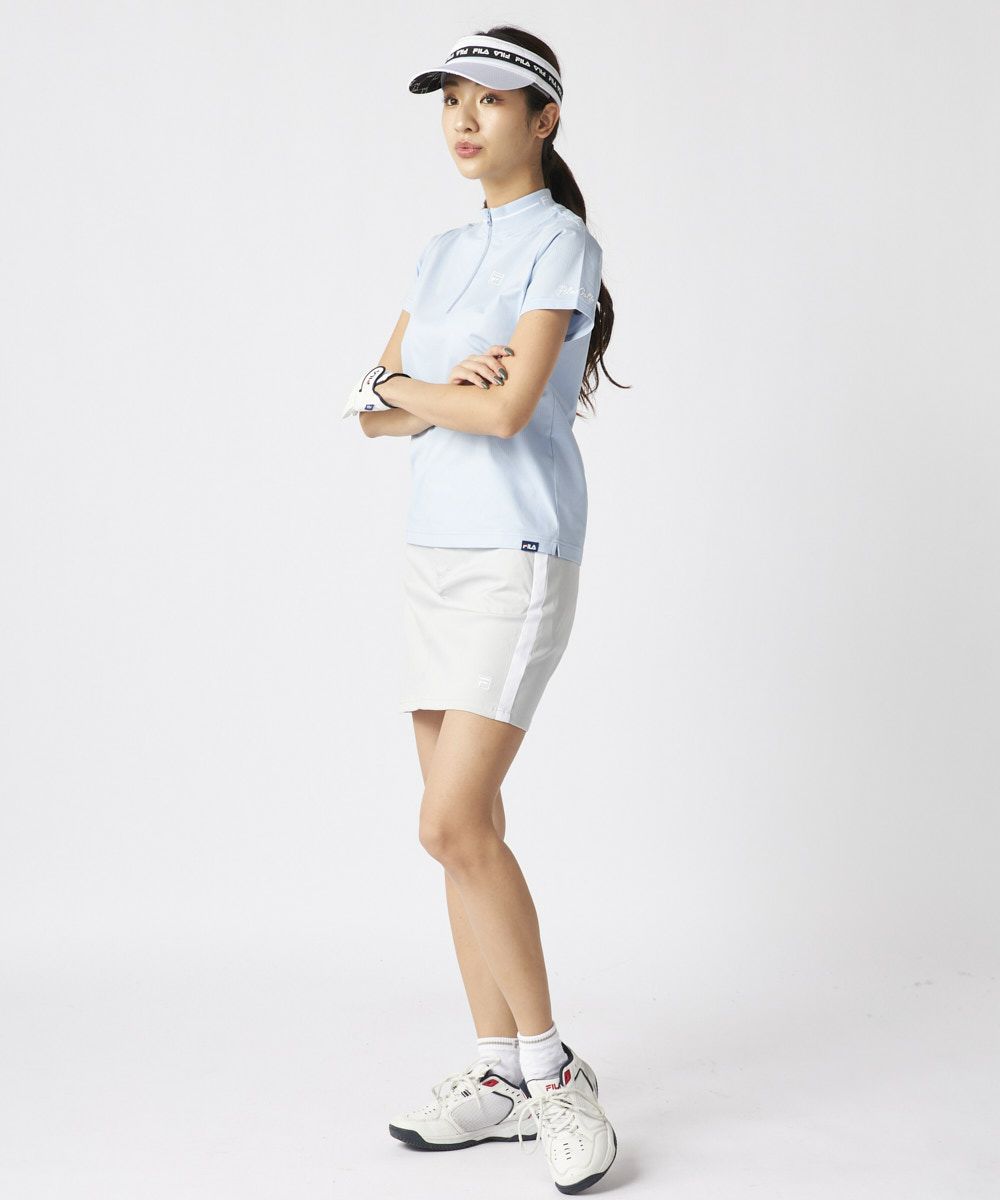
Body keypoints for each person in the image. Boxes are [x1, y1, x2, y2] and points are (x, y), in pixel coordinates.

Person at [344, 26, 628, 1195]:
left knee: (448, 823)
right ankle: (500, 1074)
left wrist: (411, 390)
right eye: (450, 100)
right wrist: (416, 389)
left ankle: (556, 1074)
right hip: (433, 551)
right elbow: (371, 412)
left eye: (491, 101)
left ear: (542, 119)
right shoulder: (440, 251)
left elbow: (506, 413)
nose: (464, 120)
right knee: (468, 831)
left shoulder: (562, 242)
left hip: (517, 551)